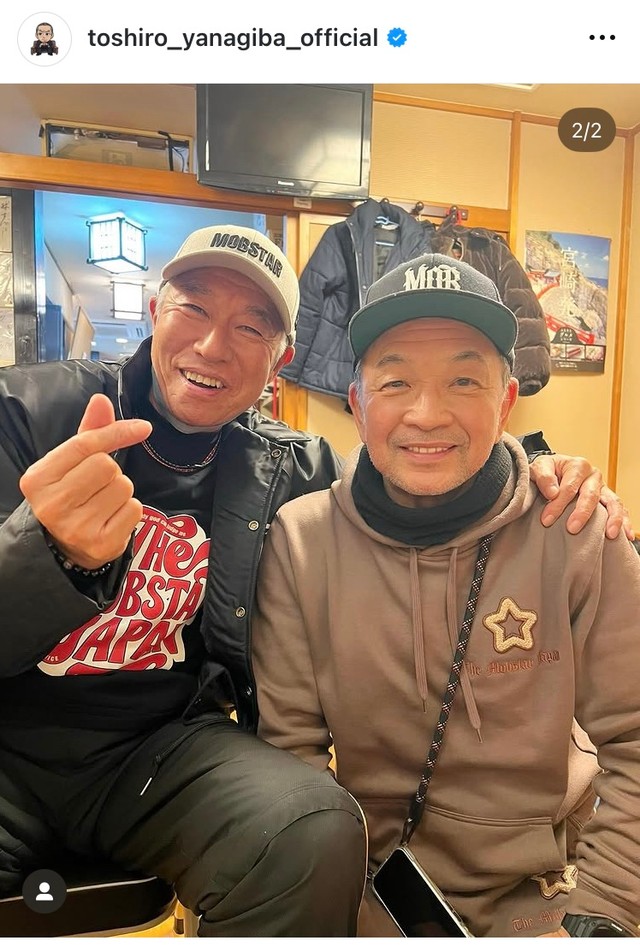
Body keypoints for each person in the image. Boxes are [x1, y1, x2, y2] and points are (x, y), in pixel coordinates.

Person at [0, 227, 629, 934]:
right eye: (194, 307)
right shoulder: (25, 413)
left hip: (161, 757)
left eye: (251, 327)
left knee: (304, 827)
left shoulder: (293, 475)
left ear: (281, 360)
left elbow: (418, 468)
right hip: (12, 747)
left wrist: (543, 470)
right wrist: (46, 551)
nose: (213, 344)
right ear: (154, 311)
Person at [252, 252, 640, 937]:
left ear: (506, 401)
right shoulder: (302, 541)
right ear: (358, 403)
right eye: (396, 381)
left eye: (464, 379)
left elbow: (634, 739)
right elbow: (294, 762)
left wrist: (600, 917)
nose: (427, 414)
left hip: (551, 888)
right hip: (370, 888)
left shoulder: (575, 529)